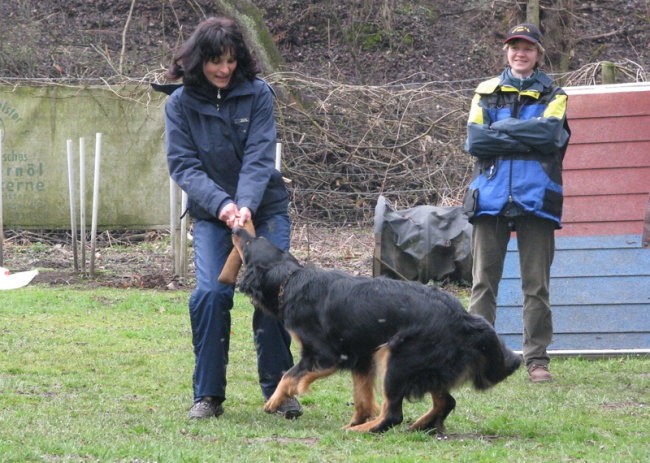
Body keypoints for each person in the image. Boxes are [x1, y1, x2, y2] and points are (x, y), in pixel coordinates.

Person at [156, 16, 302, 419]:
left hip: (263, 211)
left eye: (231, 61)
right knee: (210, 295)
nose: (224, 69)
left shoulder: (258, 94)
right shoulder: (179, 104)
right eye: (215, 61)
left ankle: (280, 393)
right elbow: (183, 165)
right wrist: (223, 205)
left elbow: (259, 155)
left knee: (273, 295)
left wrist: (246, 205)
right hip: (211, 214)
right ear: (197, 60)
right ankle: (207, 396)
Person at [463, 23, 571, 383]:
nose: (519, 53)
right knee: (482, 284)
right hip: (490, 197)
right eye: (514, 47)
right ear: (506, 52)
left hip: (537, 198)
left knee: (536, 286)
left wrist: (503, 127)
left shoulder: (555, 94)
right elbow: (476, 142)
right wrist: (523, 135)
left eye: (527, 47)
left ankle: (537, 360)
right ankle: (477, 359)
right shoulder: (484, 92)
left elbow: (550, 136)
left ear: (538, 53)